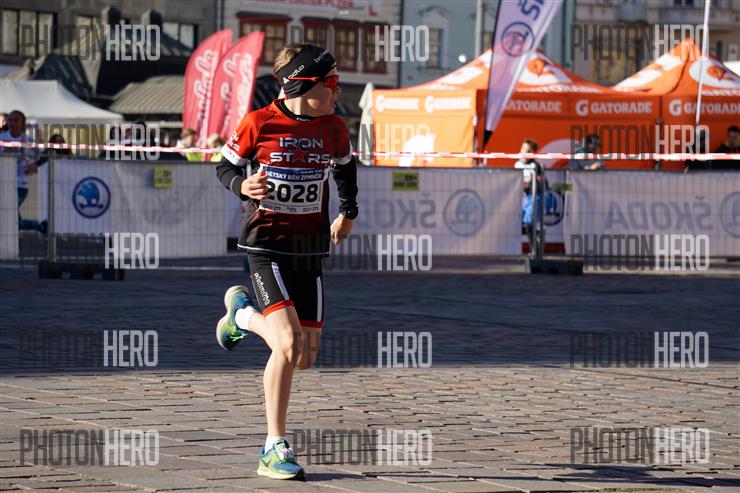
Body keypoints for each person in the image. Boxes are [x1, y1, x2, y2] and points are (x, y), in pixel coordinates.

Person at [214, 43, 357, 480]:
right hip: (267, 246)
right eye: (332, 83)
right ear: (304, 85)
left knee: (304, 357)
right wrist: (242, 186)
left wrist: (347, 213)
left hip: (309, 249)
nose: (338, 91)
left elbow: (345, 169)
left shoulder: (334, 127)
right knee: (289, 344)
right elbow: (224, 167)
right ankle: (273, 447)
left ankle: (241, 317)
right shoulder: (258, 122)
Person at [0, 110, 46, 233]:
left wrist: (35, 166)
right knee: (11, 217)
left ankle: (38, 226)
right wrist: (4, 153)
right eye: (10, 120)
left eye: (16, 120)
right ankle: (39, 226)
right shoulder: (2, 138)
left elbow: (43, 158)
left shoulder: (28, 141)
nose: (12, 123)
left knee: (8, 213)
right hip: (3, 184)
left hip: (20, 185)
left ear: (22, 124)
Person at [514, 139, 546, 250]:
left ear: (533, 153)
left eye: (528, 151)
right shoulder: (517, 164)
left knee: (529, 224)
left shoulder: (536, 166)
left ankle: (535, 250)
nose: (524, 152)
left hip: (533, 198)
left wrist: (531, 184)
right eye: (523, 149)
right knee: (519, 225)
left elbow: (543, 184)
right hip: (521, 198)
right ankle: (539, 234)